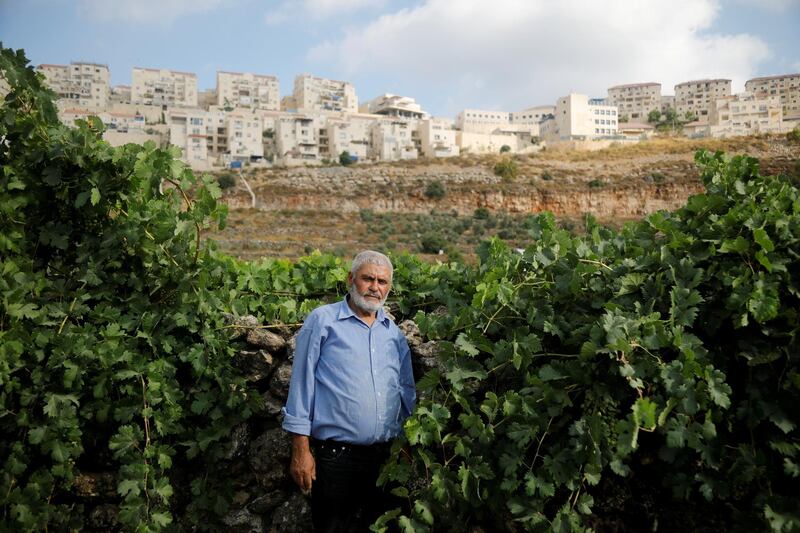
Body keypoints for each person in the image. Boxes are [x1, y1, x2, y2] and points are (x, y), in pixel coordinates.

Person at [281, 250, 417, 532]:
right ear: (350, 279)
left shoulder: (393, 333)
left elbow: (405, 391)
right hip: (336, 458)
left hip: (385, 459)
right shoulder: (323, 321)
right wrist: (300, 450)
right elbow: (302, 384)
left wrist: (405, 444)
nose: (375, 287)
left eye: (382, 282)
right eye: (368, 279)